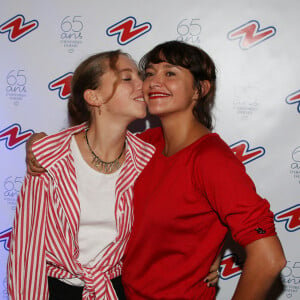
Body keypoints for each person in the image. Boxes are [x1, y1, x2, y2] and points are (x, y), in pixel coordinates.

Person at [8, 48, 219, 300]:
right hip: (54, 290)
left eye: (141, 76)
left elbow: (193, 209)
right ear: (94, 97)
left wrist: (212, 253)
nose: (144, 84)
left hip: (118, 289)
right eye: (127, 78)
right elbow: (26, 248)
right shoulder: (50, 155)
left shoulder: (148, 157)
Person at [120, 41, 286, 299]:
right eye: (150, 73)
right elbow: (87, 151)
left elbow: (269, 258)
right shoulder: (144, 143)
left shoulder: (211, 159)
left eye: (170, 73)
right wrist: (40, 147)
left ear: (200, 89)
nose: (154, 82)